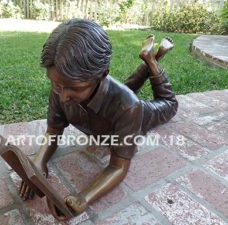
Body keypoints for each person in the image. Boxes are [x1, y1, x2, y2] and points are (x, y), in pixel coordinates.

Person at [19, 18, 178, 220]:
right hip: (115, 96)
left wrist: (84, 197)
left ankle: (152, 61)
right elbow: (53, 132)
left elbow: (118, 166)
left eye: (75, 88)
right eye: (56, 85)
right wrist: (37, 163)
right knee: (126, 88)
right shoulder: (62, 85)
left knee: (168, 104)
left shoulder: (130, 107)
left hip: (135, 112)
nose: (63, 97)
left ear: (102, 75)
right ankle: (149, 59)